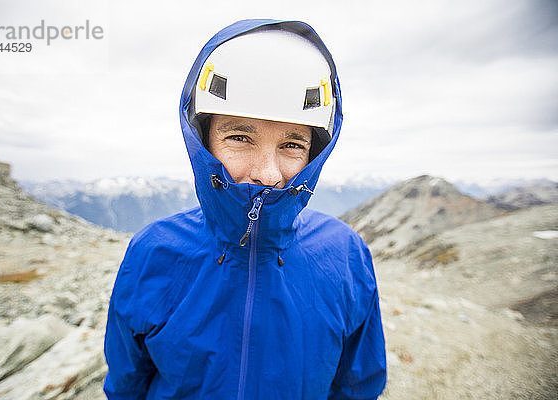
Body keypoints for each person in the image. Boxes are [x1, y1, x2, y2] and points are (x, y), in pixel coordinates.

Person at [103, 19, 387, 400]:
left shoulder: (345, 254)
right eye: (240, 137)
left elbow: (358, 386)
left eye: (291, 145)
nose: (268, 174)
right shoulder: (152, 251)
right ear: (202, 142)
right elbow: (127, 384)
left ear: (314, 153)